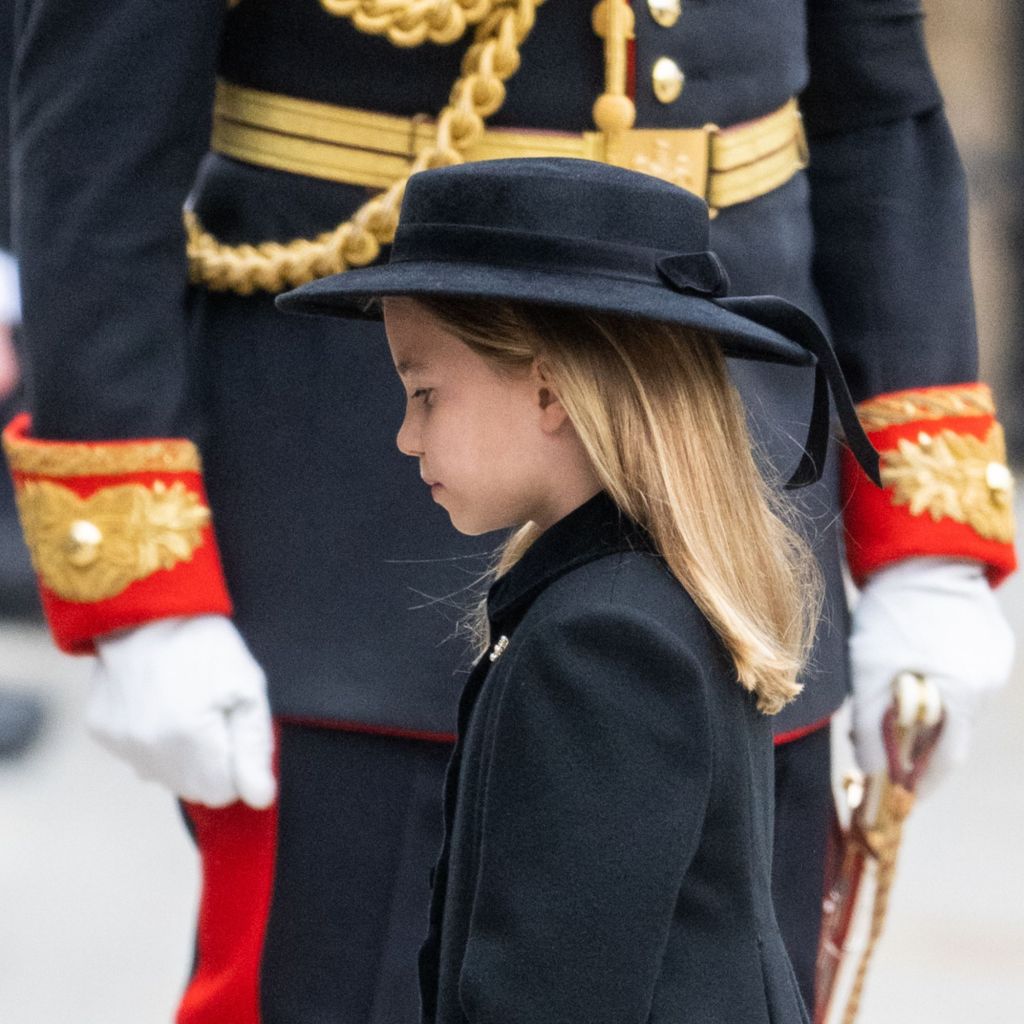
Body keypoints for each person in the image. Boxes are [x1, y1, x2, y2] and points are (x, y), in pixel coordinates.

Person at [2, 1, 1015, 1019]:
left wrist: (925, 542)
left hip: (742, 474)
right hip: (350, 530)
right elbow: (100, 128)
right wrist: (139, 567)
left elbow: (875, 108)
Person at [280, 156, 886, 1024]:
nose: (407, 436)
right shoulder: (623, 601)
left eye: (425, 394)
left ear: (553, 388)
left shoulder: (604, 645)